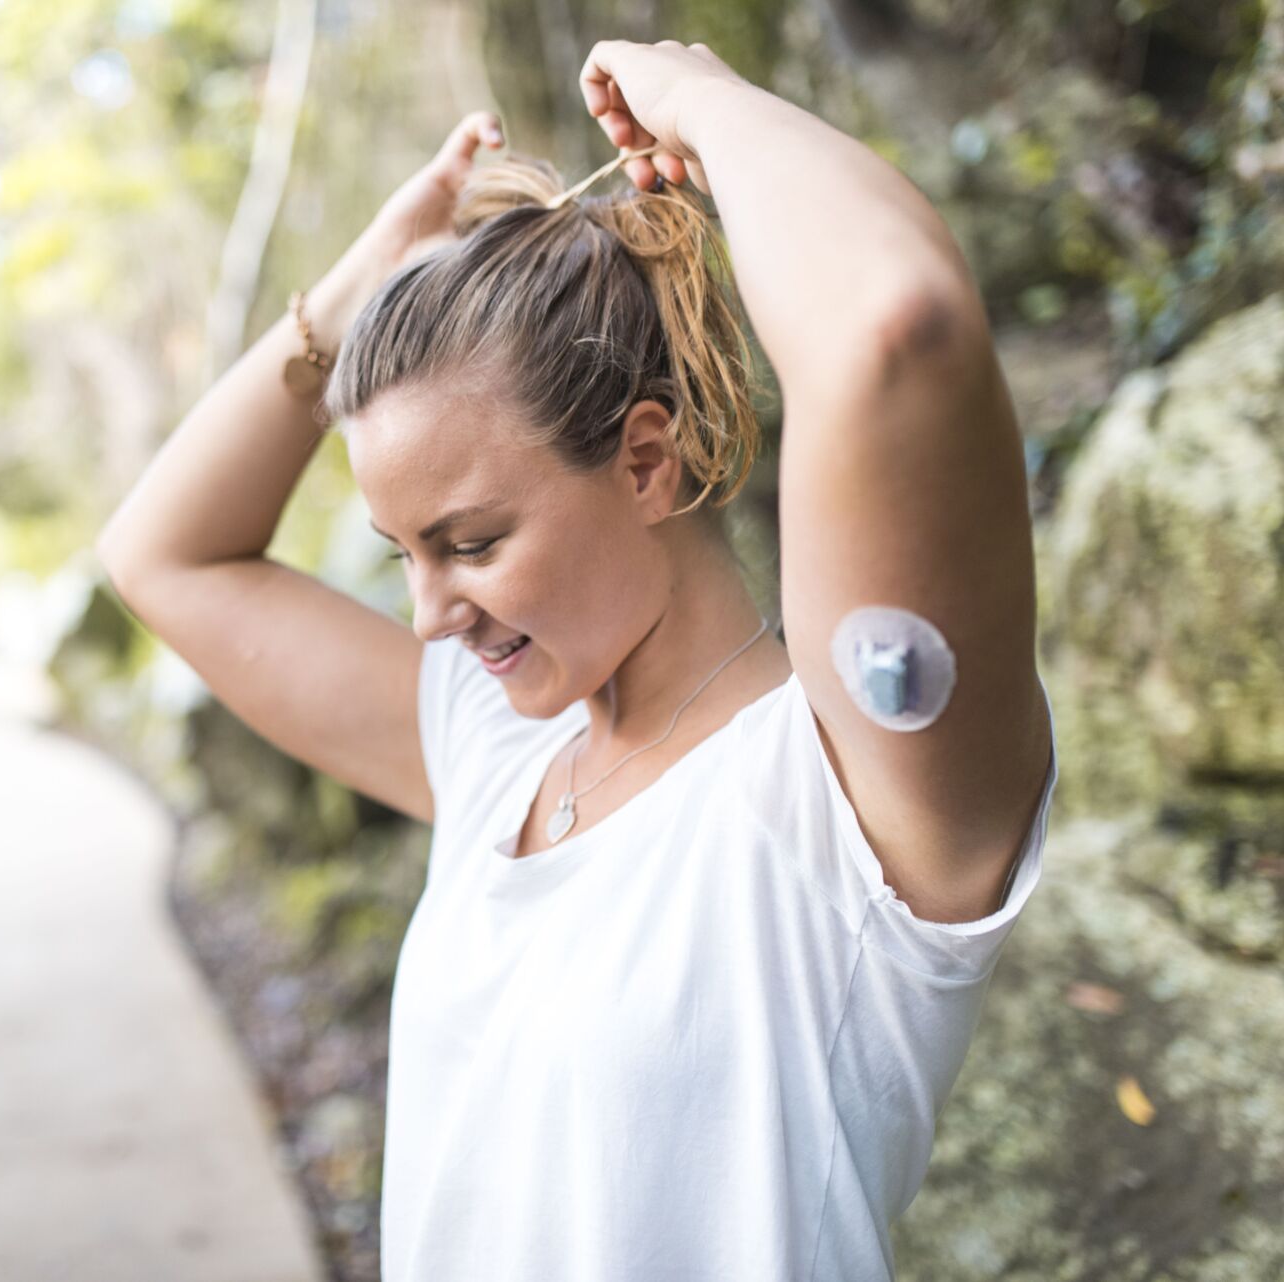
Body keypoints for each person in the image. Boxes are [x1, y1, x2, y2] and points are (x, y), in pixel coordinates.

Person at [96, 37, 1058, 1282]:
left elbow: (896, 325)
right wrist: (349, 303)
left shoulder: (850, 794)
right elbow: (161, 558)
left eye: (472, 541)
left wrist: (703, 102)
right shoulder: (500, 747)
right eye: (403, 554)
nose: (434, 612)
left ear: (647, 460)